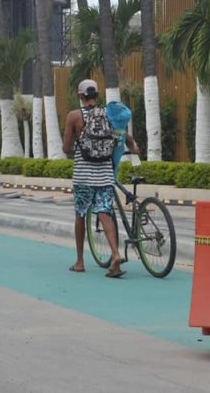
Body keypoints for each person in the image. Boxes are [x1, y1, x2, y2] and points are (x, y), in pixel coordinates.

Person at [63, 79, 138, 278]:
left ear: (80, 96)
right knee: (105, 212)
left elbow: (65, 147)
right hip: (105, 173)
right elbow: (122, 136)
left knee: (80, 215)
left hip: (83, 175)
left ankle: (80, 261)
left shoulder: (74, 116)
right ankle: (115, 254)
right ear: (96, 95)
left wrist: (77, 148)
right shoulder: (108, 114)